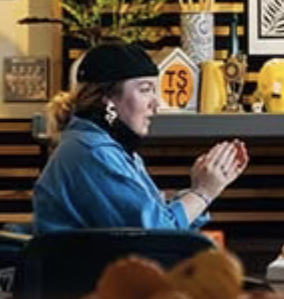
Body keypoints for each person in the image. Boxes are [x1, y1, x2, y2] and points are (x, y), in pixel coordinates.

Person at [33, 42, 249, 234]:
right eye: (145, 90)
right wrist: (203, 193)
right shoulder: (94, 152)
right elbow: (154, 235)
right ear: (106, 98)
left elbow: (159, 221)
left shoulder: (108, 148)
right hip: (90, 278)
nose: (156, 104)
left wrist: (199, 189)